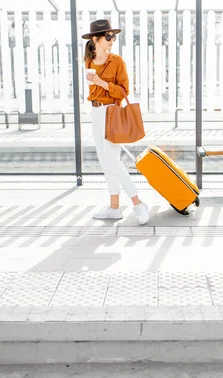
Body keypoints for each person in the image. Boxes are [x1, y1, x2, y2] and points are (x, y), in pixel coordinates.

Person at [82, 19, 149, 225]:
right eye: (108, 37)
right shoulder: (89, 61)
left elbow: (124, 91)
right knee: (105, 162)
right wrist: (94, 85)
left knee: (112, 161)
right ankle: (114, 208)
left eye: (113, 37)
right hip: (95, 113)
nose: (112, 40)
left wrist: (102, 83)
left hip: (112, 112)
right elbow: (93, 92)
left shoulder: (117, 61)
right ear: (96, 39)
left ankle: (138, 202)